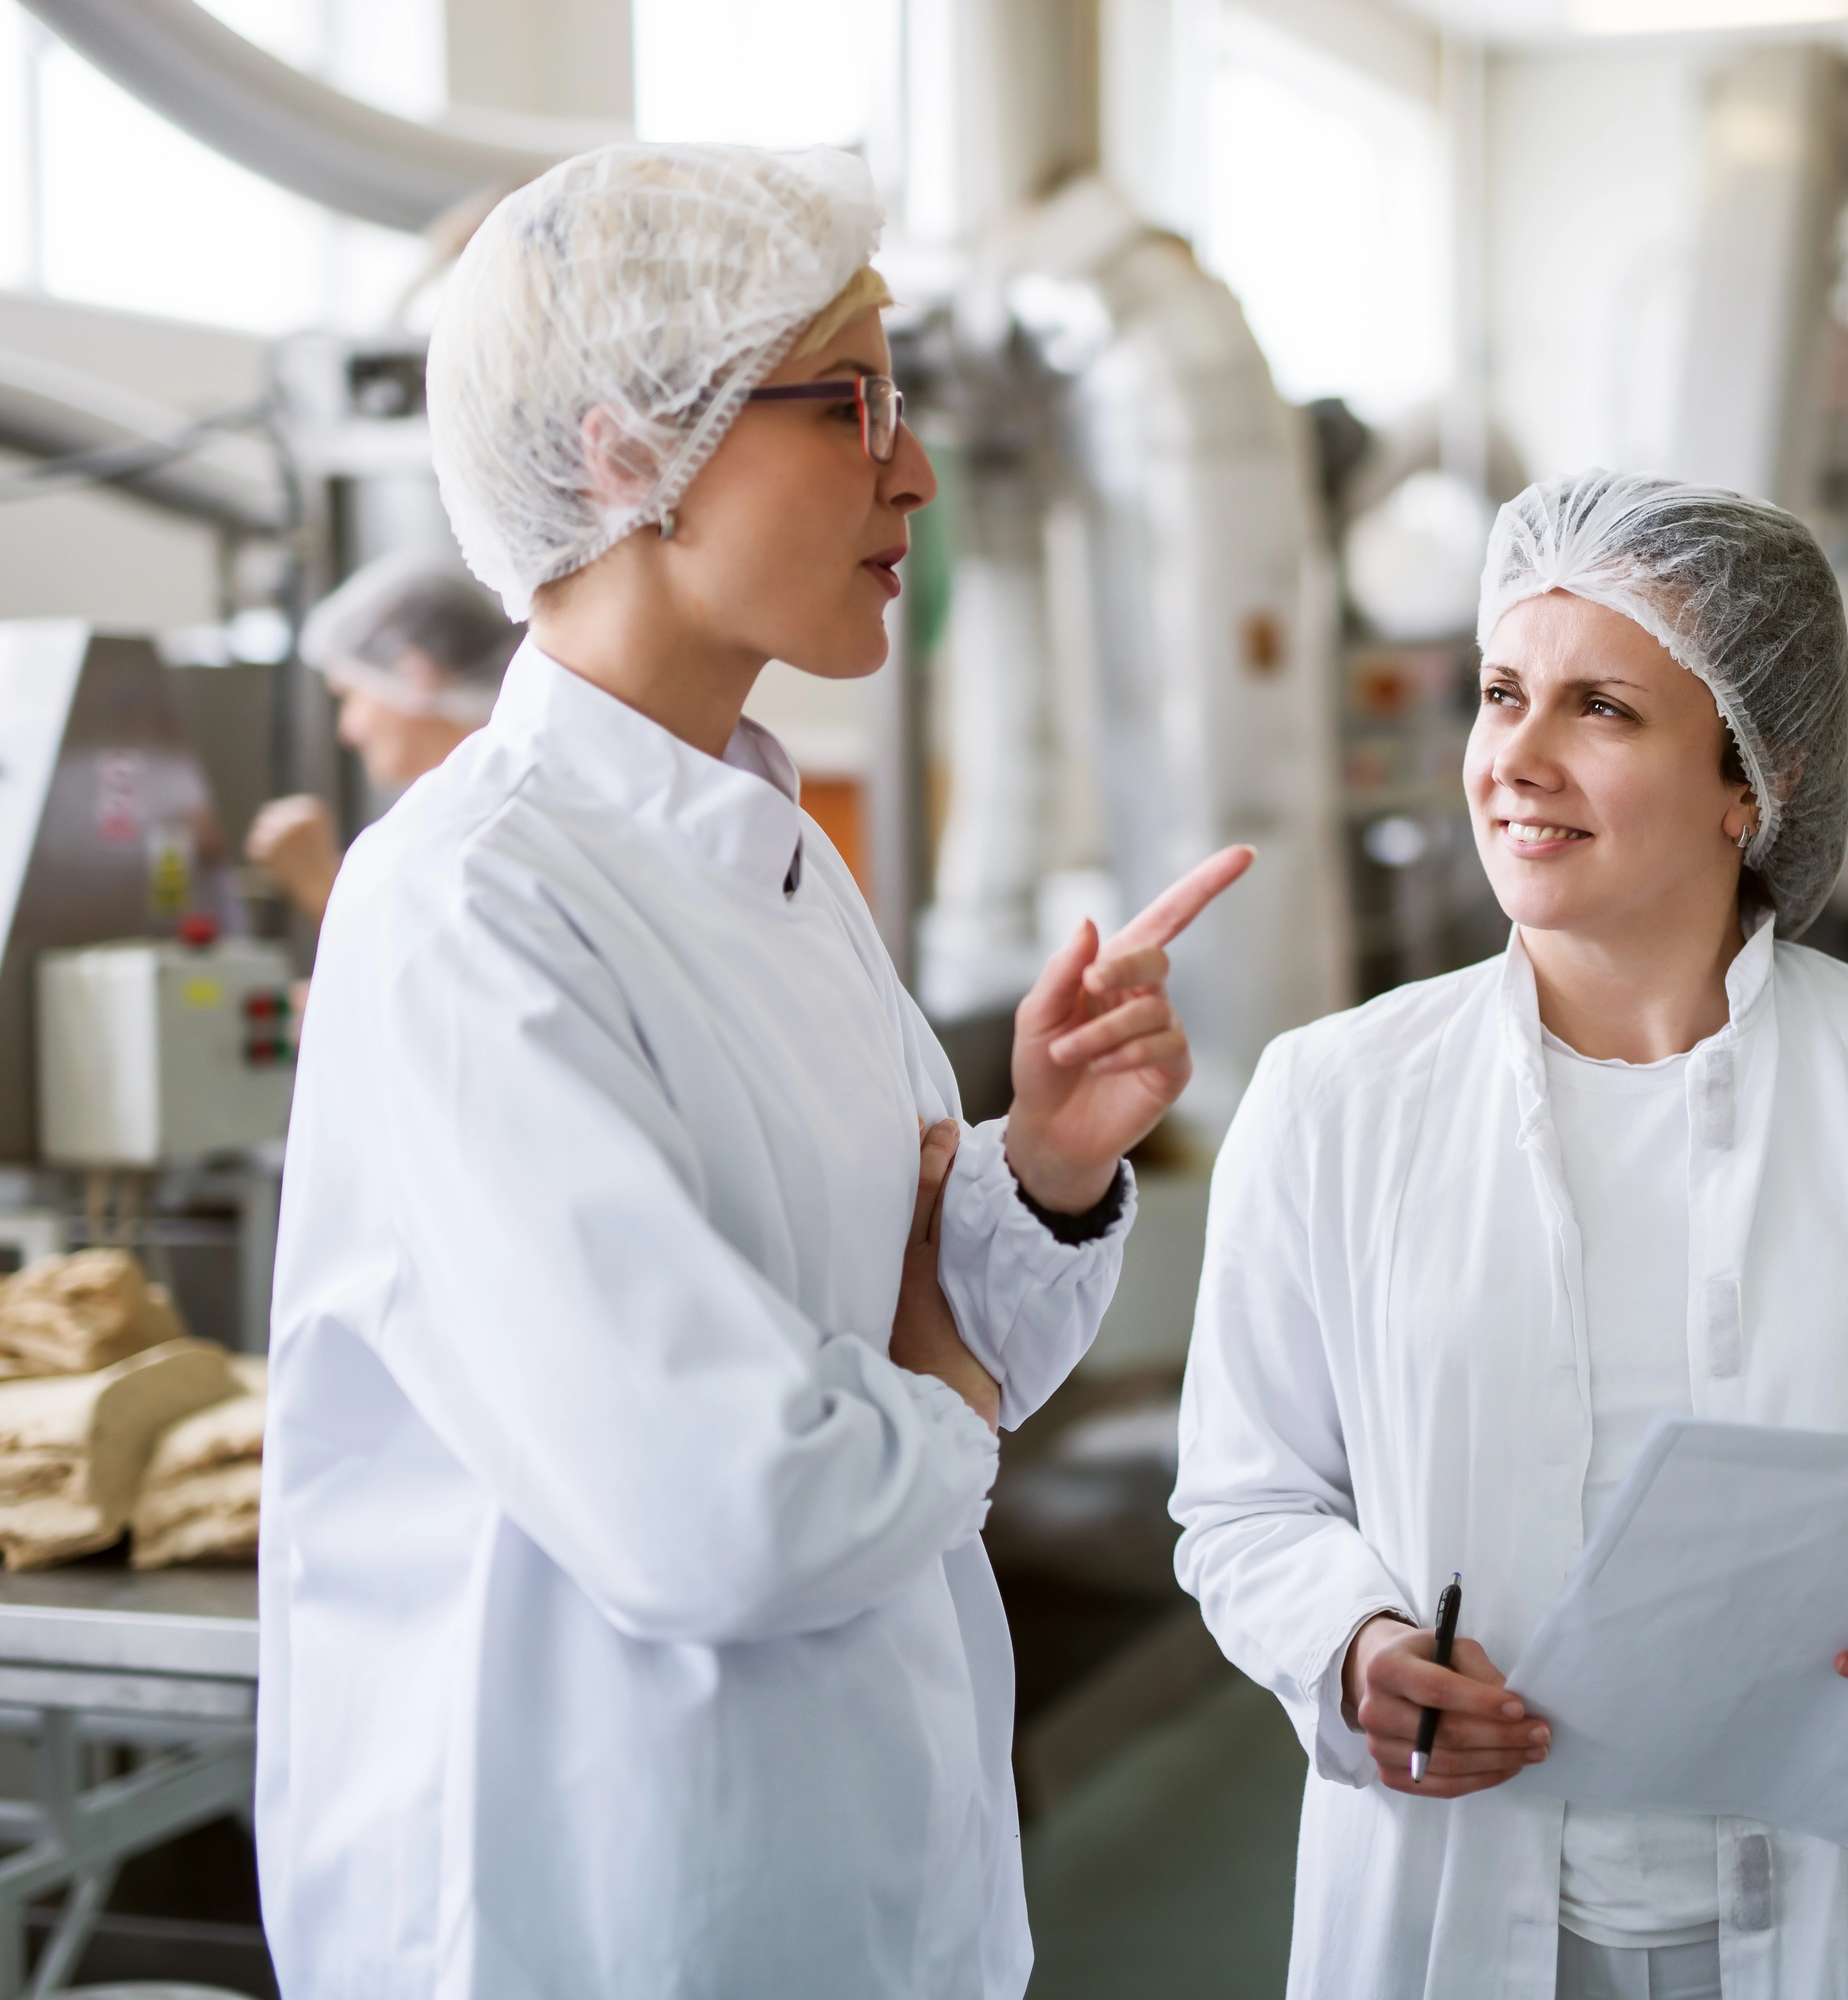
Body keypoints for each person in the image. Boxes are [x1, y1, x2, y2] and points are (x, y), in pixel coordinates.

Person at [256, 143, 1250, 2000]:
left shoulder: (767, 852)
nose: (917, 471)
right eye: (848, 403)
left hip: (849, 1856)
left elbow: (916, 1355)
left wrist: (1033, 1164)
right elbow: (721, 1504)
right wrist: (930, 1374)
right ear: (631, 452)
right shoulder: (469, 903)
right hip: (597, 1893)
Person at [1171, 471, 1848, 2000]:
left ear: (1755, 776)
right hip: (1456, 1889)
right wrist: (1350, 1650)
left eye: (1601, 707)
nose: (1514, 760)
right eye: (1499, 693)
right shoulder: (1333, 1098)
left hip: (1839, 1892)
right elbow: (1246, 1498)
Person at [242, 552, 522, 925]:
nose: (348, 731)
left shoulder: (490, 821)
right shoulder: (467, 807)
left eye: (350, 697)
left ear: (416, 672)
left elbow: (442, 964)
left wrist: (318, 882)